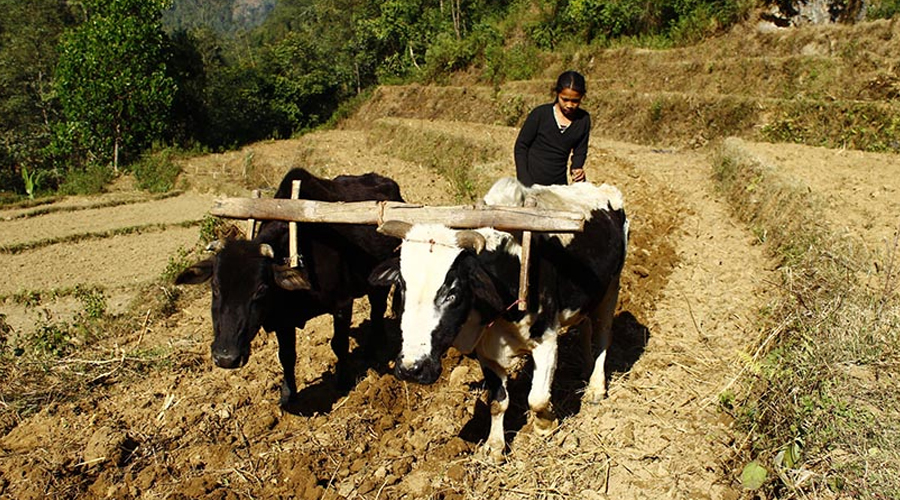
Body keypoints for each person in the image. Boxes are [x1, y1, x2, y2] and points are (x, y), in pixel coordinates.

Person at [514, 70, 591, 187]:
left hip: (558, 186)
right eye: (564, 99)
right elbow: (521, 146)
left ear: (581, 97)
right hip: (531, 183)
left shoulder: (583, 120)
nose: (569, 105)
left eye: (575, 101)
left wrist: (577, 168)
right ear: (557, 94)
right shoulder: (540, 114)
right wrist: (524, 180)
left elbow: (580, 150)